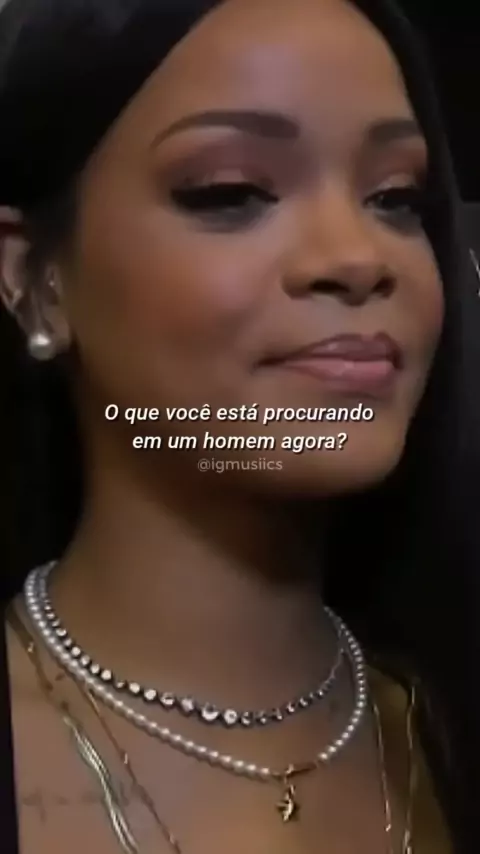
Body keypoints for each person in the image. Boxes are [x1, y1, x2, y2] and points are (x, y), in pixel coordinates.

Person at [0, 0, 479, 851]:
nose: (357, 257)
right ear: (34, 280)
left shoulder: (448, 721)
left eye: (395, 198)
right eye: (232, 192)